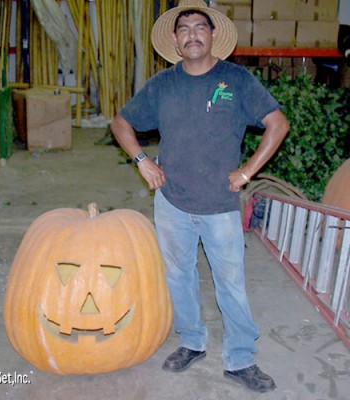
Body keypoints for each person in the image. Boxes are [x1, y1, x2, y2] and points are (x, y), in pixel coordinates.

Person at [110, 0, 289, 393]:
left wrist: (247, 171)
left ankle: (241, 358)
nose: (192, 33)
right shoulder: (162, 85)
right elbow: (121, 122)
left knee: (231, 284)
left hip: (221, 205)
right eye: (185, 28)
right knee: (179, 276)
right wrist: (142, 160)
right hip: (172, 201)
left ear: (212, 36)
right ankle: (191, 342)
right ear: (175, 40)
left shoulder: (237, 81)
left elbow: (278, 123)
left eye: (200, 27)